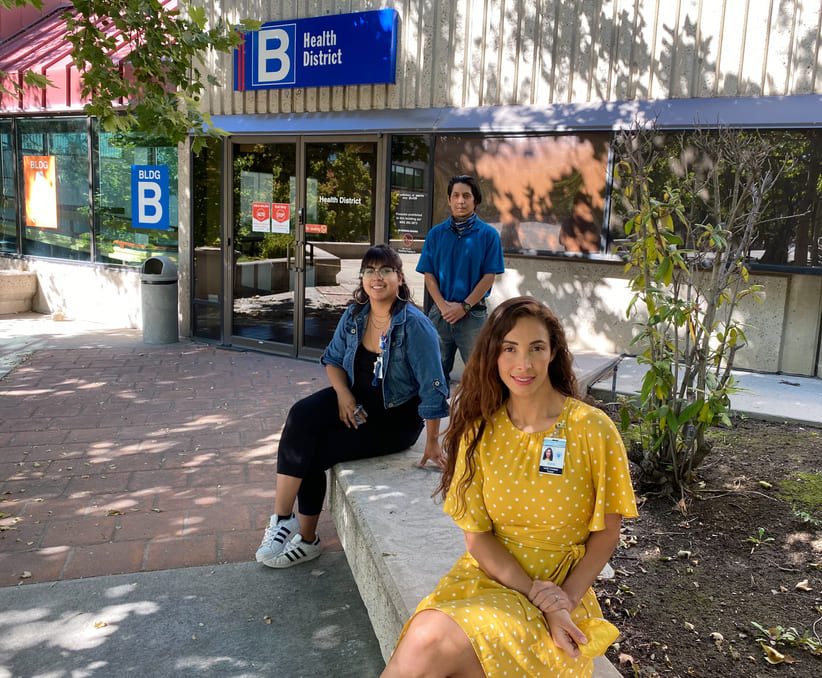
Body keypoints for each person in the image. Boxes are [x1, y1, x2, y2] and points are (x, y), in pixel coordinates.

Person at [382, 296, 638, 678]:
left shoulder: (592, 429)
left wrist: (561, 600)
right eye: (510, 349)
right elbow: (478, 538)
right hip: (490, 579)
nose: (524, 364)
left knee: (428, 644)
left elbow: (606, 534)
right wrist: (540, 598)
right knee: (426, 640)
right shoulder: (480, 429)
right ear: (492, 356)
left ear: (553, 353)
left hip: (563, 589)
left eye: (536, 348)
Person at [255, 244, 449, 568]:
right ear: (362, 278)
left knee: (316, 452)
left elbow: (433, 389)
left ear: (400, 279)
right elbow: (332, 360)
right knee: (299, 416)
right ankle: (282, 519)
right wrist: (344, 396)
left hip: (394, 421)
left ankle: (307, 540)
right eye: (370, 270)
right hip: (356, 400)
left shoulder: (414, 326)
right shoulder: (356, 314)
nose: (377, 277)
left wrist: (431, 442)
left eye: (386, 270)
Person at [416, 175, 505, 382]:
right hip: (440, 315)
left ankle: (479, 415)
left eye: (466, 196)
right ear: (449, 200)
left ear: (475, 200)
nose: (460, 201)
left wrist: (463, 307)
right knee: (433, 376)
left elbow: (488, 277)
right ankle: (435, 415)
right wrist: (444, 308)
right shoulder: (436, 234)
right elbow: (429, 276)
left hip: (472, 316)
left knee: (481, 376)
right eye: (455, 195)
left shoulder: (488, 235)